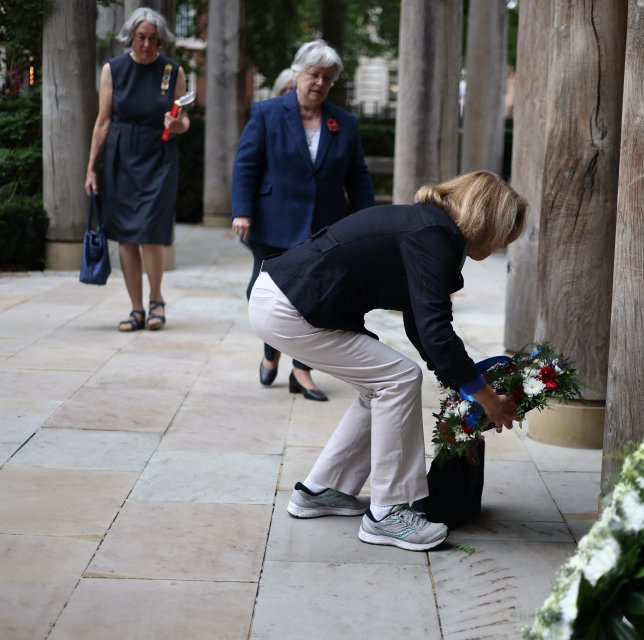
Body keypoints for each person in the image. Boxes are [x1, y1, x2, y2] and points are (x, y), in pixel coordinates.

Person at [247, 171, 527, 551]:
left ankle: (324, 490)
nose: (502, 246)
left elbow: (419, 322)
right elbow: (435, 330)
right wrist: (487, 400)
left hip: (282, 298)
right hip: (289, 306)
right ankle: (388, 513)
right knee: (399, 378)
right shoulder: (434, 236)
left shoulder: (430, 228)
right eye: (504, 236)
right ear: (488, 220)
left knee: (380, 384)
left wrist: (458, 382)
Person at [232, 40, 374, 401]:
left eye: (327, 78)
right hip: (272, 218)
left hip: (322, 226)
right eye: (314, 74)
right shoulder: (267, 112)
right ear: (297, 74)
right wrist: (242, 210)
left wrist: (367, 223)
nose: (319, 83)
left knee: (313, 300)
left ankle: (302, 370)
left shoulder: (344, 123)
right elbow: (246, 165)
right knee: (261, 293)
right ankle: (270, 350)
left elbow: (357, 177)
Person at [85, 7, 189, 332]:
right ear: (131, 37)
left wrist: (176, 125)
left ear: (161, 40)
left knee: (151, 233)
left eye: (153, 39)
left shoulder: (173, 71)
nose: (147, 44)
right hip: (120, 156)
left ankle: (157, 301)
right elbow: (102, 122)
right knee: (127, 238)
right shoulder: (112, 69)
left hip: (159, 155)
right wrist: (91, 169)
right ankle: (136, 309)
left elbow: (184, 121)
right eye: (141, 37)